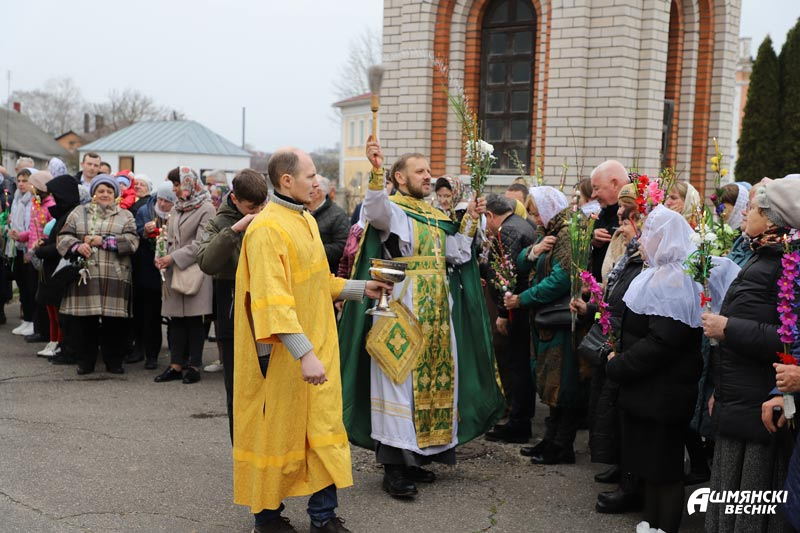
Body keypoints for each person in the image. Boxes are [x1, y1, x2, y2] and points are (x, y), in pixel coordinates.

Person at [233, 148, 389, 533]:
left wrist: (359, 288)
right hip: (283, 357)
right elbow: (273, 302)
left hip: (317, 348)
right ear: (287, 181)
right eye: (311, 175)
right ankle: (267, 517)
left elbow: (318, 282)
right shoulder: (267, 228)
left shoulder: (303, 219)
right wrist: (304, 355)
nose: (317, 182)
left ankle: (323, 517)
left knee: (322, 431)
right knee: (277, 435)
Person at [340, 138, 504, 499]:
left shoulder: (434, 216)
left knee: (433, 385)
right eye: (420, 171)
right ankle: (393, 469)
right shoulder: (392, 210)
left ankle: (416, 459)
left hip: (437, 315)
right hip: (400, 310)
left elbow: (457, 254)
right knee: (397, 384)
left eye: (429, 170)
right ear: (400, 177)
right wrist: (376, 171)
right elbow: (375, 208)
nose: (428, 176)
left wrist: (469, 220)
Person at [702, 178, 800, 533]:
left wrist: (728, 328)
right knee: (727, 496)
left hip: (760, 403)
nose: (746, 212)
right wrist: (720, 389)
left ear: (772, 220)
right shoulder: (762, 255)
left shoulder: (787, 264)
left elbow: (787, 339)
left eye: (754, 208)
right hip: (738, 396)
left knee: (750, 505)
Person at [605, 205, 706, 533]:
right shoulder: (657, 274)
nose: (642, 240)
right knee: (648, 465)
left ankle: (665, 527)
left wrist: (620, 365)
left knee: (665, 469)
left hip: (664, 392)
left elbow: (662, 342)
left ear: (666, 240)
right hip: (648, 390)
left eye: (649, 234)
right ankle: (650, 523)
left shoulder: (676, 281)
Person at [505, 186, 586, 465]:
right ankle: (550, 439)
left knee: (563, 382)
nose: (535, 219)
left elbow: (561, 279)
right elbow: (521, 262)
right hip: (544, 318)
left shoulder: (568, 233)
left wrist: (523, 299)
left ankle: (563, 445)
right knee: (550, 380)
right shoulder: (548, 230)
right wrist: (534, 250)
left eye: (537, 213)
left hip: (562, 319)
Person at [197, 168, 268, 441]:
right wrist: (235, 230)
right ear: (234, 199)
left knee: (271, 387)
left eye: (262, 205)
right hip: (233, 311)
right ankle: (243, 449)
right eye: (251, 207)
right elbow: (207, 263)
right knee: (238, 390)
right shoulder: (219, 223)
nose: (258, 212)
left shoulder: (271, 215)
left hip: (269, 310)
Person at [57, 175, 140, 375]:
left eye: (109, 191)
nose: (105, 194)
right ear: (94, 192)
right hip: (86, 276)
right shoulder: (79, 212)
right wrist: (78, 246)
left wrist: (103, 242)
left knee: (114, 324)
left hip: (115, 276)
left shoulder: (125, 215)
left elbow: (132, 242)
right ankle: (85, 362)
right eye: (101, 190)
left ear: (115, 195)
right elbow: (63, 237)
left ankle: (114, 362)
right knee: (85, 323)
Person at [482, 194, 538, 444]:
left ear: (490, 215)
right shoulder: (522, 223)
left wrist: (503, 313)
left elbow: (506, 274)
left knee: (517, 364)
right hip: (523, 304)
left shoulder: (506, 231)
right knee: (520, 363)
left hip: (517, 308)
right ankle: (520, 418)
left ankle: (518, 422)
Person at [154, 167, 215, 385]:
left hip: (193, 271)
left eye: (177, 184)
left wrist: (172, 258)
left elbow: (201, 243)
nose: (175, 189)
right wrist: (160, 255)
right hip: (173, 269)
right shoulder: (177, 207)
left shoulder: (206, 208)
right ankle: (176, 365)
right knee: (176, 320)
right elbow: (167, 238)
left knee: (194, 320)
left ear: (189, 183)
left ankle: (194, 366)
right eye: (174, 185)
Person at [32, 173, 80, 359]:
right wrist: (45, 243)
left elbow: (63, 244)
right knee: (51, 310)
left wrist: (42, 250)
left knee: (61, 313)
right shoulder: (62, 214)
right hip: (51, 269)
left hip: (59, 269)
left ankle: (61, 344)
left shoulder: (71, 215)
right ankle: (55, 342)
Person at [130, 182, 177, 369]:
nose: (163, 204)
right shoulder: (145, 211)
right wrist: (144, 232)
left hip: (170, 267)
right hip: (147, 268)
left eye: (168, 201)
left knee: (164, 314)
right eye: (161, 200)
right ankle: (145, 352)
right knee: (147, 313)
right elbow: (134, 235)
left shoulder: (177, 214)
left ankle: (164, 354)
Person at [589, 161, 629, 280]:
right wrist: (591, 238)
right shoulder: (601, 212)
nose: (593, 195)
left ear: (614, 184)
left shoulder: (636, 211)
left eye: (596, 188)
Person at [8, 168, 36, 336]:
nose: (21, 184)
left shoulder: (33, 200)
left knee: (30, 286)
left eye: (25, 181)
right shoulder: (17, 198)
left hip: (29, 247)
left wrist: (23, 237)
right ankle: (26, 319)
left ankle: (33, 321)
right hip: (17, 245)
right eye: (19, 181)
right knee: (22, 285)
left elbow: (33, 225)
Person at [306, 176, 350, 274]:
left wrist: (311, 251)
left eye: (308, 188)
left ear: (318, 192)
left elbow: (342, 247)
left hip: (327, 275)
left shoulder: (338, 215)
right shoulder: (301, 212)